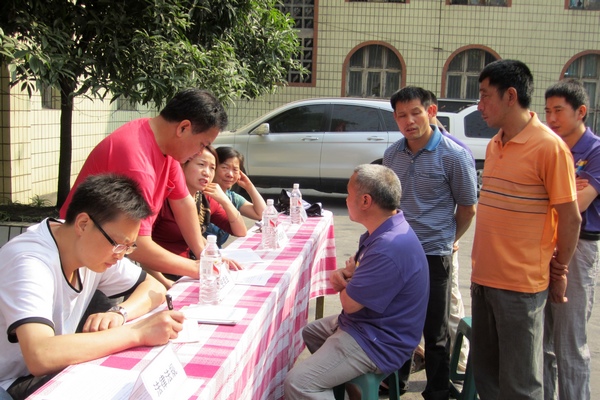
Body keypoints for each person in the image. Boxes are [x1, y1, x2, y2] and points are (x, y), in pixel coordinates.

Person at [0, 174, 184, 400]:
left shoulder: (87, 247)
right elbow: (40, 355)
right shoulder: (29, 261)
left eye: (128, 246)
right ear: (83, 224)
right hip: (9, 381)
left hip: (44, 372)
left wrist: (120, 313)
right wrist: (138, 333)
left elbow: (153, 287)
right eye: (118, 244)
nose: (121, 255)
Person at [471, 59, 581, 400]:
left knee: (520, 385)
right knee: (487, 378)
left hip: (521, 288)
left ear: (510, 96)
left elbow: (571, 218)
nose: (479, 105)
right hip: (483, 280)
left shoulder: (549, 147)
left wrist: (559, 269)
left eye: (485, 95)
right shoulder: (495, 144)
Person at [283, 164, 429, 399]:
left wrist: (343, 280)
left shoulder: (388, 247)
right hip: (368, 323)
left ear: (365, 201)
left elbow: (350, 303)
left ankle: (330, 387)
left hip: (379, 339)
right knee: (311, 332)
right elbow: (355, 275)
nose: (346, 199)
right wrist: (348, 276)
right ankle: (347, 389)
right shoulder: (384, 230)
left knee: (298, 383)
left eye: (349, 193)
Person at [59, 88, 228, 284]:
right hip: (81, 255)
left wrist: (205, 255)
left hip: (109, 253)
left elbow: (183, 203)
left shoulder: (165, 146)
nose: (200, 152)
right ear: (183, 128)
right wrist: (196, 268)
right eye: (202, 144)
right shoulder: (137, 163)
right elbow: (136, 243)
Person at [383, 86, 477, 400]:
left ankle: (437, 391)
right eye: (401, 115)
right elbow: (389, 204)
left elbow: (468, 208)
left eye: (415, 113)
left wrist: (450, 239)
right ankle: (396, 384)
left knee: (435, 330)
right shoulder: (392, 154)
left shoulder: (454, 155)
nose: (408, 121)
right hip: (399, 254)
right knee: (398, 323)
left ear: (431, 112)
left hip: (435, 254)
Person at [543, 78, 600, 400]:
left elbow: (576, 206)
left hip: (578, 247)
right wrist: (564, 190)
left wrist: (553, 194)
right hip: (543, 243)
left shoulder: (595, 151)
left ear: (581, 112)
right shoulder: (550, 147)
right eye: (548, 111)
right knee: (542, 341)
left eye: (559, 110)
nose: (551, 118)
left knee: (570, 341)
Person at [152, 146, 247, 282]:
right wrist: (165, 283)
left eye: (212, 168)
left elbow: (240, 231)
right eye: (201, 165)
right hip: (165, 275)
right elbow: (140, 249)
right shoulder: (161, 198)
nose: (207, 173)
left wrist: (225, 201)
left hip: (193, 270)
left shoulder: (204, 199)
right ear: (182, 165)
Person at [205, 146, 266, 247]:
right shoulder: (202, 196)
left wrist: (249, 186)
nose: (230, 174)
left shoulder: (232, 197)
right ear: (213, 167)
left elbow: (262, 214)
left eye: (235, 170)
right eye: (224, 167)